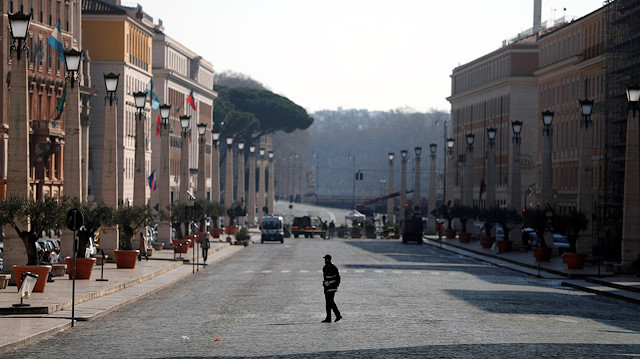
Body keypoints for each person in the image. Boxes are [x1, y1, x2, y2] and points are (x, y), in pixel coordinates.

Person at [321, 254, 342, 323]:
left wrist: (335, 285)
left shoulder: (333, 267)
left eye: (327, 259)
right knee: (328, 303)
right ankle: (328, 318)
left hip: (332, 287)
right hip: (327, 287)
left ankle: (338, 315)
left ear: (330, 259)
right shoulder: (325, 267)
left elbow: (338, 278)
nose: (325, 260)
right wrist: (325, 284)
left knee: (330, 301)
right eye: (325, 259)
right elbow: (325, 278)